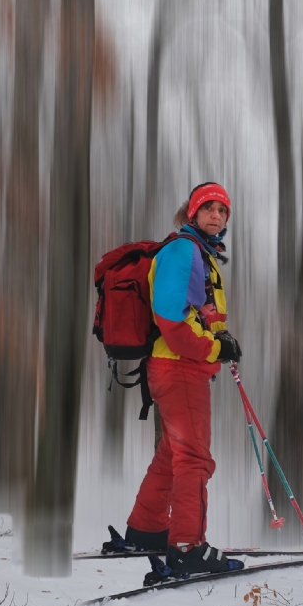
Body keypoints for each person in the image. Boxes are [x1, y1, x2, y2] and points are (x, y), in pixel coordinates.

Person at [112, 181, 244, 577]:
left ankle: (147, 529)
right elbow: (171, 316)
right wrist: (214, 349)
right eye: (208, 208)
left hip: (176, 367)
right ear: (192, 213)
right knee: (194, 458)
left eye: (223, 210)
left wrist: (219, 340)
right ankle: (188, 545)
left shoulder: (200, 254)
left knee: (172, 453)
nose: (216, 216)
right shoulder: (184, 250)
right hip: (180, 368)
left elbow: (193, 314)